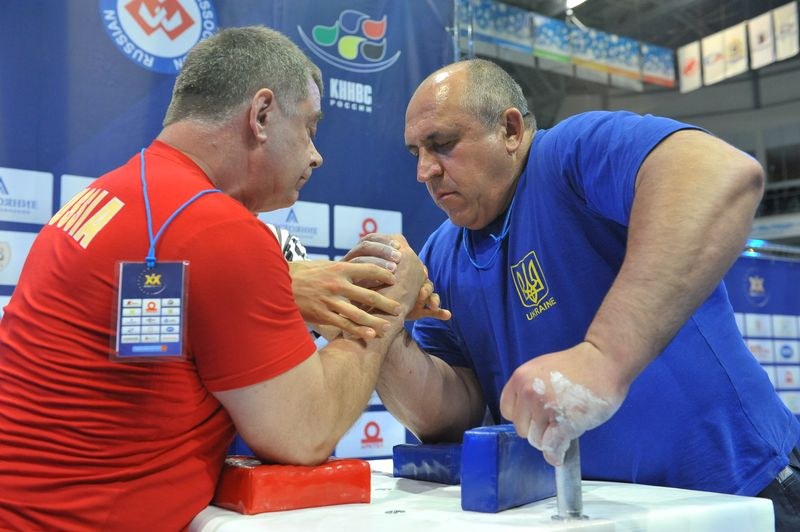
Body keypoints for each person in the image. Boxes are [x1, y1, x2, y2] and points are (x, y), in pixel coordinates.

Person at [0, 26, 434, 530]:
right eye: (311, 128)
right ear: (262, 115)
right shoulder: (218, 230)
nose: (317, 156)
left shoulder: (109, 194)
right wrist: (386, 305)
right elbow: (305, 431)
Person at [375, 58, 800, 530]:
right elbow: (451, 416)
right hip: (603, 516)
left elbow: (721, 172)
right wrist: (381, 324)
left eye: (442, 145)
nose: (424, 171)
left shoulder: (568, 153)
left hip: (744, 495)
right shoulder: (442, 253)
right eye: (416, 152)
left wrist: (603, 358)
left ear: (511, 130)